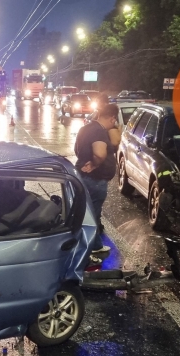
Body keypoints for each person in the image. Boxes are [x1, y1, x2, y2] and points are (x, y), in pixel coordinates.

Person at [74, 103, 121, 254]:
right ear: (113, 118)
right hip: (94, 179)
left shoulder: (86, 128)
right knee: (92, 212)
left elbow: (77, 149)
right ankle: (93, 246)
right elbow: (100, 153)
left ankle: (90, 243)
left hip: (84, 177)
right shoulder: (99, 132)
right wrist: (95, 164)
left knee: (87, 210)